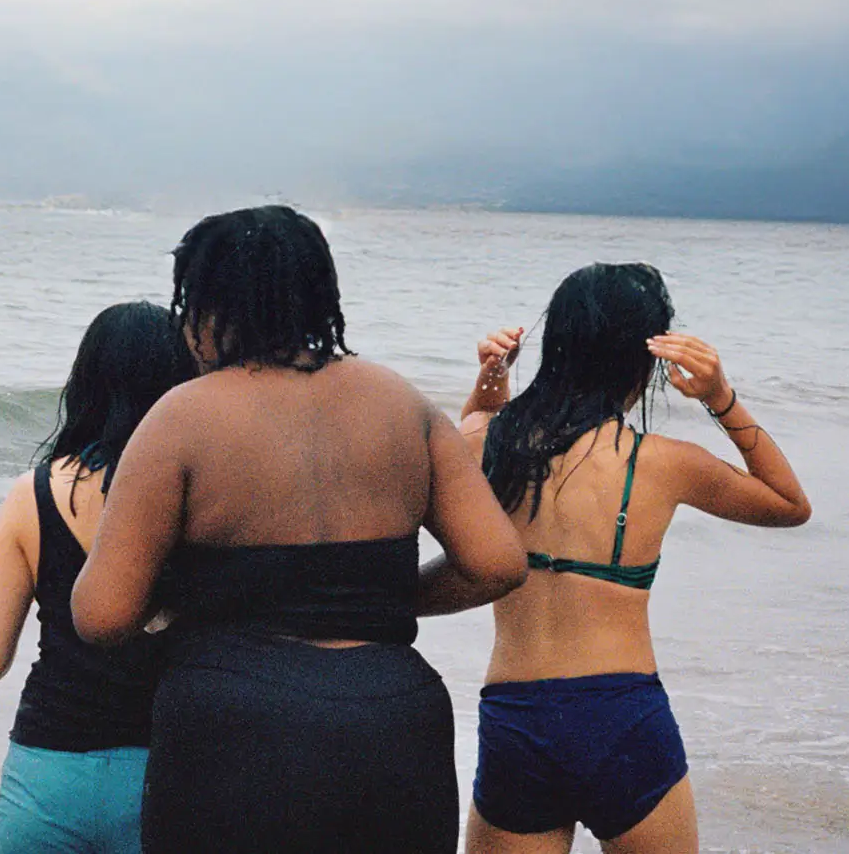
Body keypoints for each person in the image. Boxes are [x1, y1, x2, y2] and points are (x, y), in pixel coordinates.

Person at [71, 206, 527, 854]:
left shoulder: (182, 416)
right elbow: (497, 563)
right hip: (397, 714)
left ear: (207, 308)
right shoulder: (402, 401)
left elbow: (103, 613)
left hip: (234, 724)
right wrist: (380, 601)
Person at [436, 264, 811, 854]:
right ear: (644, 361)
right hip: (623, 716)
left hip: (519, 715)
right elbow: (789, 504)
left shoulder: (489, 439)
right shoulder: (663, 461)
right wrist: (721, 398)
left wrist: (490, 379)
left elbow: (473, 441)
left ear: (552, 344)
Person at [0, 301, 201, 854]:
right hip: (166, 775)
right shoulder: (202, 498)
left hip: (48, 774)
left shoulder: (31, 496)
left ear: (84, 382)